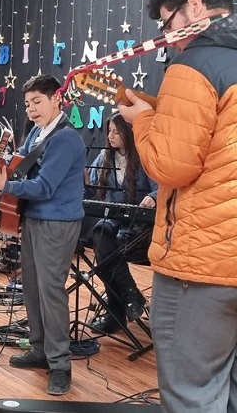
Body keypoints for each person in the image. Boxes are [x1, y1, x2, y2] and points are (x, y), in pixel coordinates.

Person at [116, 0, 237, 413]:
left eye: (168, 24)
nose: (168, 36)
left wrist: (142, 119)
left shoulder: (194, 66)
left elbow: (171, 165)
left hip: (205, 265)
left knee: (192, 394)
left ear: (195, 7)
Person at [0, 74, 85, 396]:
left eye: (37, 102)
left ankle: (60, 365)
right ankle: (40, 349)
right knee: (31, 288)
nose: (31, 109)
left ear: (57, 99)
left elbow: (45, 187)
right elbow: (23, 169)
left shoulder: (65, 138)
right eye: (27, 104)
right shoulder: (36, 132)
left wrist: (8, 187)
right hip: (33, 220)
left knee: (51, 292)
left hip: (57, 224)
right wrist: (4, 180)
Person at [84, 113, 157, 335]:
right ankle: (130, 294)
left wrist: (154, 196)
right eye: (109, 131)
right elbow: (91, 183)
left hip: (139, 226)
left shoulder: (144, 157)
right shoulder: (105, 157)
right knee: (100, 232)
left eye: (116, 131)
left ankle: (116, 313)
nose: (111, 136)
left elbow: (164, 185)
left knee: (106, 250)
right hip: (113, 220)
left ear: (128, 133)